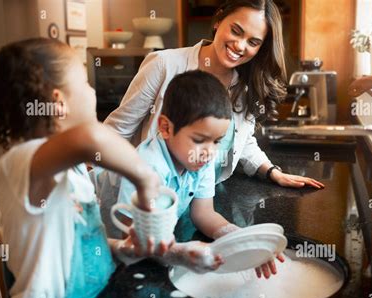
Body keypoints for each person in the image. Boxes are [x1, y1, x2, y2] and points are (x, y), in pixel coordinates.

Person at [0, 38, 167, 298]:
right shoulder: (19, 162)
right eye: (85, 83)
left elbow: (75, 239)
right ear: (58, 102)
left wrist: (119, 248)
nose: (92, 91)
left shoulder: (76, 168)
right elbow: (90, 138)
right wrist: (145, 179)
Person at [104, 0, 324, 189]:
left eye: (253, 42)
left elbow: (242, 140)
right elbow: (117, 131)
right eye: (236, 31)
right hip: (150, 195)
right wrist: (86, 187)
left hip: (204, 198)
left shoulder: (247, 85)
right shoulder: (164, 64)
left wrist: (271, 172)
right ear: (219, 20)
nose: (239, 45)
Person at [105, 70, 285, 278]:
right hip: (109, 248)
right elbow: (132, 240)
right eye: (199, 140)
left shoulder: (201, 159)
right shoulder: (145, 168)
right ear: (165, 128)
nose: (210, 151)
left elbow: (204, 214)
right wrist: (179, 254)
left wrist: (242, 241)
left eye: (217, 140)